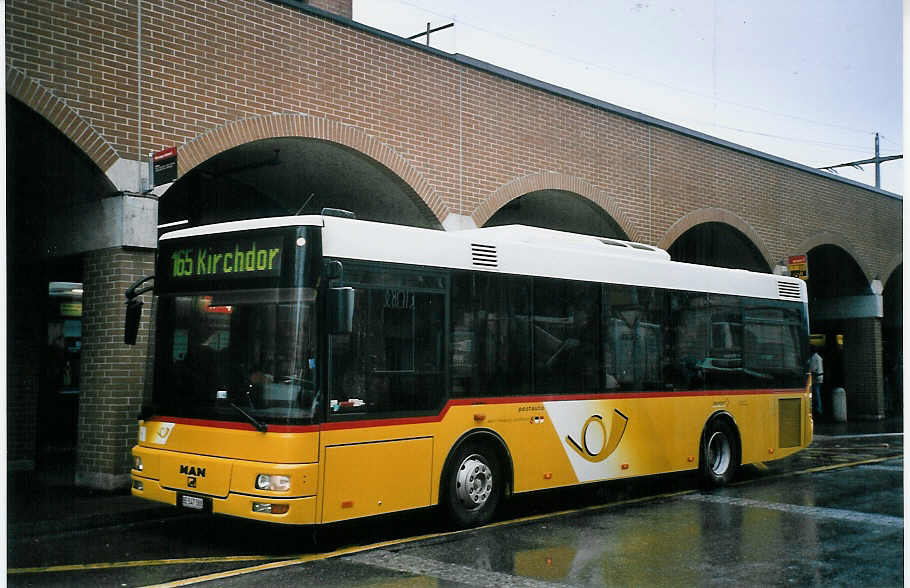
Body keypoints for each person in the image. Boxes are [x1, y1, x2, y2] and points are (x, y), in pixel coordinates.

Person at [809, 348, 824, 416]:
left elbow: (813, 368)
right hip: (820, 377)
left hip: (816, 377)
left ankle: (818, 409)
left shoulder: (814, 357)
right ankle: (818, 409)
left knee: (816, 393)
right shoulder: (819, 357)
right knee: (817, 393)